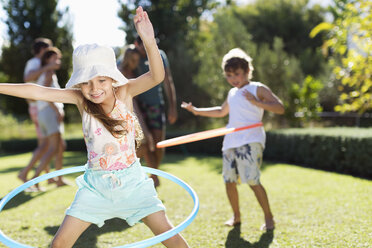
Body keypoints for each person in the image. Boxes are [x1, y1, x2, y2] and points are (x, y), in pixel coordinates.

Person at [0, 7, 188, 248]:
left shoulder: (125, 91)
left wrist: (149, 41)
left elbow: (156, 76)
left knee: (170, 236)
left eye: (101, 79)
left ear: (112, 78)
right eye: (86, 82)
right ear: (79, 83)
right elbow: (37, 90)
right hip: (95, 188)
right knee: (58, 244)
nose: (94, 88)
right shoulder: (80, 99)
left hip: (132, 184)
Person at [181, 48, 284, 231]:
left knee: (252, 180)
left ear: (247, 71)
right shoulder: (232, 93)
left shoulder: (257, 88)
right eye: (229, 75)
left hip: (251, 139)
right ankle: (236, 216)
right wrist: (196, 110)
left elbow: (280, 107)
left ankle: (269, 217)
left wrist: (257, 102)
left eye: (237, 74)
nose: (233, 78)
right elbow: (221, 111)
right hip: (231, 140)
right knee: (229, 181)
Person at [134, 35, 177, 187]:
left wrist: (172, 107)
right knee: (146, 142)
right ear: (136, 44)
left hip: (156, 105)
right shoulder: (131, 56)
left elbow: (168, 80)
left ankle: (154, 173)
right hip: (138, 106)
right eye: (143, 45)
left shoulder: (159, 54)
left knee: (159, 143)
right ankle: (152, 176)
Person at [18, 38, 60, 186]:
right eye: (48, 50)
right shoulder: (35, 63)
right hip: (40, 107)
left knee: (46, 145)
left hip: (40, 106)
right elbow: (27, 78)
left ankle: (46, 176)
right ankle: (31, 175)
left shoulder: (40, 65)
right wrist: (47, 66)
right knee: (46, 145)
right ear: (42, 50)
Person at [31, 47, 67, 187]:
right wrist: (57, 109)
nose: (58, 61)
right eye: (55, 58)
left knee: (59, 146)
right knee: (53, 148)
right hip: (49, 112)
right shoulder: (49, 72)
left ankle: (59, 180)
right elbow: (45, 94)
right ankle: (34, 179)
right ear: (47, 59)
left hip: (43, 113)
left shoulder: (45, 73)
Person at [118, 45, 156, 162]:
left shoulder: (132, 73)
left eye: (137, 61)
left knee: (144, 146)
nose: (136, 63)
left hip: (132, 111)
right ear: (127, 59)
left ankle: (153, 177)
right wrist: (144, 129)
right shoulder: (121, 75)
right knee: (143, 145)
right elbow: (132, 105)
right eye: (133, 60)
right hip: (124, 113)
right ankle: (125, 166)